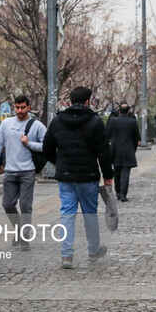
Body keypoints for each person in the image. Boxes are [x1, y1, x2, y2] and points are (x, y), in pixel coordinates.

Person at [42, 87, 114, 269]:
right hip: (88, 176)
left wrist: (58, 163)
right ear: (88, 101)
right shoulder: (95, 122)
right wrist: (108, 175)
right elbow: (103, 152)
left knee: (67, 213)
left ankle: (67, 255)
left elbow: (46, 147)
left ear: (70, 101)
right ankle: (93, 249)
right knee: (90, 213)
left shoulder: (57, 121)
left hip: (66, 176)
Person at [0, 95, 46, 250]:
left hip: (28, 171)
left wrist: (29, 143)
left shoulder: (37, 125)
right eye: (17, 107)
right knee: (7, 204)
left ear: (28, 107)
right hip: (10, 172)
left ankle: (25, 238)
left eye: (23, 107)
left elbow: (47, 146)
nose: (20, 111)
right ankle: (19, 230)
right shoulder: (6, 124)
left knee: (26, 206)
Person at [106, 101, 140, 202]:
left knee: (116, 172)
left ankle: (117, 191)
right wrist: (133, 149)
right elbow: (136, 137)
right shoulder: (133, 122)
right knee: (126, 173)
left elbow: (107, 134)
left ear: (119, 111)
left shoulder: (113, 121)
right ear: (128, 111)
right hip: (128, 149)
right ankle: (123, 194)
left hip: (116, 149)